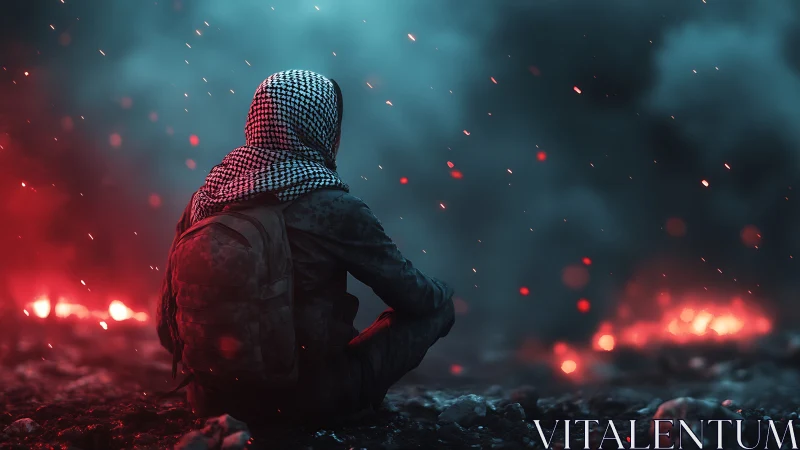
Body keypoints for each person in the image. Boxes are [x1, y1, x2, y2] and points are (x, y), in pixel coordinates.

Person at [157, 70, 455, 424]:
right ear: (323, 127)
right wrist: (444, 289)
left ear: (257, 120)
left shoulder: (207, 197)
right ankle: (346, 403)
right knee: (440, 308)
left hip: (211, 402)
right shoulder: (333, 206)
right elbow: (416, 298)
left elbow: (166, 327)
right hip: (307, 401)